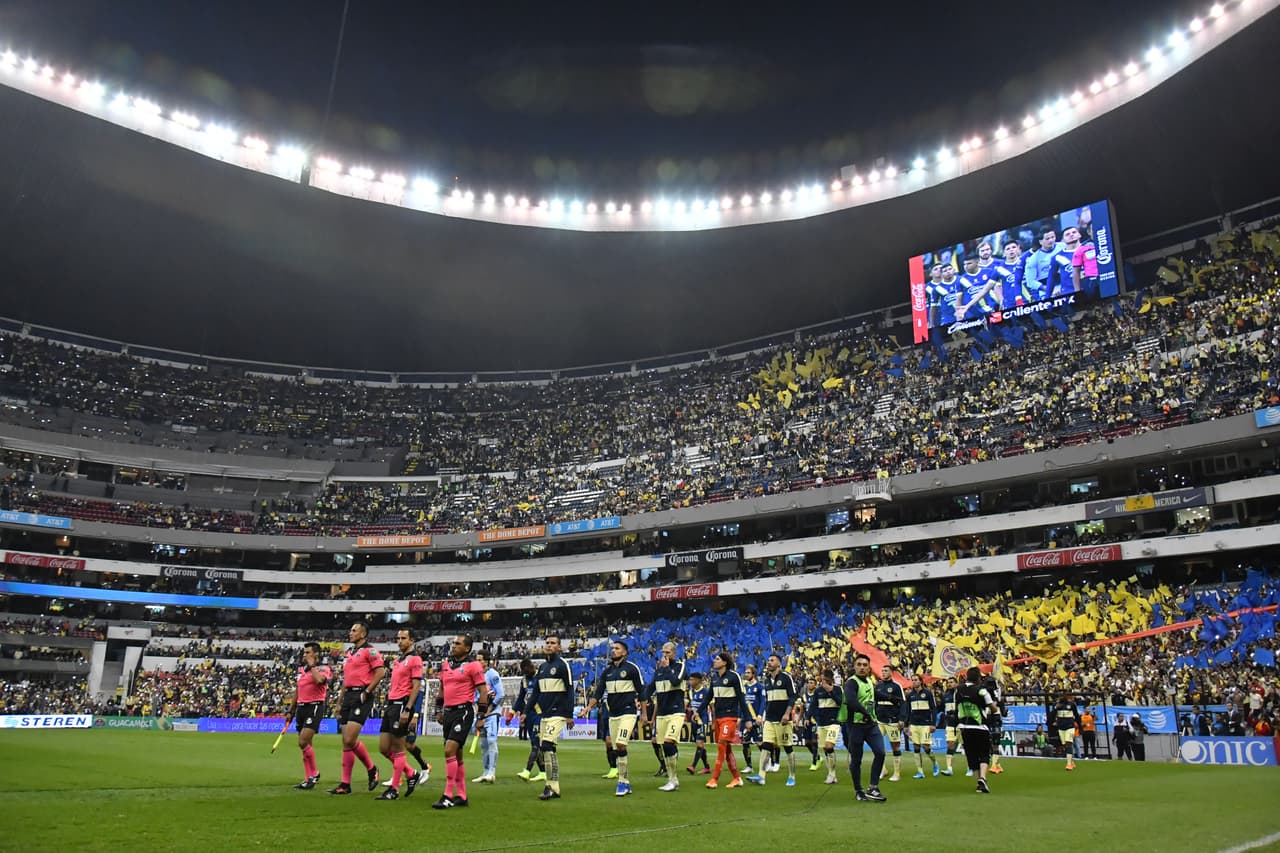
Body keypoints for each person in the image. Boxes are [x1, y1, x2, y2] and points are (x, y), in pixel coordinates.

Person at [431, 634, 491, 810]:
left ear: (467, 648)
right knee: (457, 754)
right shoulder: (446, 665)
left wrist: (481, 717)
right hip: (448, 712)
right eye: (453, 643)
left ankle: (447, 795)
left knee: (449, 750)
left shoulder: (473, 666)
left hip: (463, 712)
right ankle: (462, 795)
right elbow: (442, 689)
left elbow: (483, 692)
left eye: (458, 644)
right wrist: (438, 710)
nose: (453, 646)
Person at [327, 621, 385, 795]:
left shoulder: (370, 651)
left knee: (350, 739)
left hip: (361, 695)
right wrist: (339, 702)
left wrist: (367, 691)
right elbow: (347, 679)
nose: (350, 633)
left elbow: (381, 672)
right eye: (350, 629)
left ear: (363, 634)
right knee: (346, 742)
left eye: (354, 630)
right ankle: (345, 784)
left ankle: (372, 768)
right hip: (348, 696)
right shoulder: (349, 652)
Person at [583, 640, 646, 797]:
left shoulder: (632, 669)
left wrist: (644, 714)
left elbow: (642, 692)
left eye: (617, 648)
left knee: (621, 744)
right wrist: (588, 707)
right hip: (613, 714)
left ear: (624, 652)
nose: (613, 651)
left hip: (628, 712)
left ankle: (622, 782)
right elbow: (598, 693)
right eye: (612, 649)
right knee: (616, 747)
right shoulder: (607, 672)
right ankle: (625, 782)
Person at [376, 628, 424, 800]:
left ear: (412, 640)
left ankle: (394, 789)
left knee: (397, 748)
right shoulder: (398, 660)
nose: (400, 641)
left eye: (403, 638)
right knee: (383, 748)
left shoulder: (415, 659)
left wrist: (409, 709)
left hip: (402, 704)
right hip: (391, 704)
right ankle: (411, 773)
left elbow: (416, 686)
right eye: (398, 638)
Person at [527, 635, 574, 801]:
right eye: (547, 643)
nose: (549, 645)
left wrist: (569, 714)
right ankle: (553, 787)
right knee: (548, 748)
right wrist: (526, 711)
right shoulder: (542, 668)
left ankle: (551, 786)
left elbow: (570, 690)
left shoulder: (563, 665)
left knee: (546, 745)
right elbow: (536, 693)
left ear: (559, 647)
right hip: (545, 715)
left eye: (553, 643)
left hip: (559, 713)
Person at [843, 653, 887, 802]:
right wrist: (864, 713)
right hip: (855, 726)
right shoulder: (851, 683)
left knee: (880, 752)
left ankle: (873, 787)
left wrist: (892, 699)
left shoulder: (869, 681)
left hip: (871, 724)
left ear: (869, 668)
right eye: (859, 664)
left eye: (865, 665)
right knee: (856, 759)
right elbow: (851, 701)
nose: (862, 667)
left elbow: (875, 695)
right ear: (854, 666)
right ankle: (858, 790)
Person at [286, 641, 330, 790]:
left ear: (316, 654)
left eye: (308, 652)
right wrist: (290, 711)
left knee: (303, 741)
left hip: (315, 706)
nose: (305, 655)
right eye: (304, 653)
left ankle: (314, 774)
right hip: (301, 708)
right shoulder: (301, 670)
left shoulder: (323, 668)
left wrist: (312, 666)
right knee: (306, 745)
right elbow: (297, 691)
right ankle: (308, 777)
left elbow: (320, 681)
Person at [752, 653, 797, 786]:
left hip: (783, 720)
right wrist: (762, 715)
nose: (769, 662)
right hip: (770, 720)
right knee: (766, 746)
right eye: (768, 660)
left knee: (788, 747)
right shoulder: (766, 680)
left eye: (772, 660)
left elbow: (793, 697)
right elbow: (767, 701)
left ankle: (792, 776)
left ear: (779, 663)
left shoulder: (786, 678)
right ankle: (761, 776)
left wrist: (787, 714)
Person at [648, 642, 687, 791]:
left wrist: (667, 668)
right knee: (665, 745)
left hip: (676, 711)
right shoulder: (659, 671)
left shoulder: (679, 666)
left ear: (674, 653)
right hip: (662, 714)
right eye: (663, 652)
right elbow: (650, 688)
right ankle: (672, 778)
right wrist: (641, 699)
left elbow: (676, 681)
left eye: (668, 652)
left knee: (669, 742)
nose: (665, 655)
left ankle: (673, 779)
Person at [706, 651, 746, 789]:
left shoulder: (734, 676)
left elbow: (742, 698)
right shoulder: (715, 678)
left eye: (717, 659)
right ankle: (737, 778)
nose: (714, 661)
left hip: (730, 716)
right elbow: (708, 698)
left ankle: (714, 778)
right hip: (719, 717)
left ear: (724, 662)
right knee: (727, 749)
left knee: (722, 744)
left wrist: (747, 719)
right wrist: (698, 712)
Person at [956, 666, 999, 794]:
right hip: (980, 726)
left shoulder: (958, 690)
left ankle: (978, 783)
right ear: (978, 678)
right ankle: (983, 778)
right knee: (984, 754)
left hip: (964, 727)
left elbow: (955, 706)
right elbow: (993, 708)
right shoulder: (982, 691)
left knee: (971, 755)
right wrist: (996, 701)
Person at [472, 650, 505, 785]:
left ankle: (492, 772)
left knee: (492, 741)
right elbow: (475, 696)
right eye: (476, 659)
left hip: (492, 714)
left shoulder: (492, 674)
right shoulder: (476, 676)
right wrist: (478, 711)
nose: (478, 662)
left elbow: (500, 694)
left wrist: (488, 710)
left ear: (486, 661)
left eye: (480, 660)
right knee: (483, 744)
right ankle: (485, 772)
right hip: (481, 714)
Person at [513, 658, 546, 783]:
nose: (526, 673)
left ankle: (527, 771)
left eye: (528, 670)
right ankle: (542, 772)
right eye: (524, 671)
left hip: (539, 714)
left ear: (532, 667)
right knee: (534, 744)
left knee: (536, 744)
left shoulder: (541, 677)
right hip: (529, 715)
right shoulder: (524, 680)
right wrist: (512, 712)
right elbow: (521, 698)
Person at [808, 668, 843, 784]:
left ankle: (832, 774)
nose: (822, 681)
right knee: (825, 749)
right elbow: (813, 705)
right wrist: (808, 718)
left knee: (829, 746)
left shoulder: (838, 689)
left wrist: (831, 691)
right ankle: (832, 774)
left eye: (824, 679)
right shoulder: (818, 691)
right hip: (821, 723)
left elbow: (841, 703)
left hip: (834, 722)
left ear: (830, 679)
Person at [874, 664, 906, 782]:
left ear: (891, 672)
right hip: (879, 721)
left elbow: (903, 703)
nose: (883, 672)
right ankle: (883, 770)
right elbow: (875, 702)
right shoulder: (878, 686)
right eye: (882, 671)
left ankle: (897, 773)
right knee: (876, 746)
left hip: (892, 721)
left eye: (886, 671)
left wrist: (902, 719)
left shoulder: (897, 686)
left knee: (895, 747)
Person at [904, 673, 939, 779]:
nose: (914, 681)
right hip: (914, 724)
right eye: (912, 680)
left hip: (925, 724)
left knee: (926, 746)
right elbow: (908, 710)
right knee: (916, 747)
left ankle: (935, 763)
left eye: (916, 680)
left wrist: (933, 724)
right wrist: (906, 725)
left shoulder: (928, 693)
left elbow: (933, 709)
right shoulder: (910, 695)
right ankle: (920, 771)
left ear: (921, 681)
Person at [740, 664, 766, 775]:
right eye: (745, 672)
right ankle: (749, 766)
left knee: (759, 742)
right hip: (745, 719)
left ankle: (767, 761)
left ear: (753, 674)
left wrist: (760, 715)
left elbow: (763, 702)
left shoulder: (760, 687)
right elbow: (741, 704)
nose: (746, 674)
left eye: (748, 672)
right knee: (745, 742)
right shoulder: (744, 687)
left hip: (756, 719)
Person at [685, 671, 712, 775]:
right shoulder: (691, 692)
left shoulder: (705, 692)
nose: (689, 681)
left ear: (697, 680)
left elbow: (712, 707)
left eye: (691, 679)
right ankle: (707, 767)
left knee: (699, 743)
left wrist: (713, 722)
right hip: (694, 721)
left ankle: (693, 766)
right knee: (700, 744)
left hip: (702, 721)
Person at [983, 673, 1006, 775]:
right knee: (994, 742)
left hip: (991, 719)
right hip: (993, 719)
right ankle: (996, 763)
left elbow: (1003, 711)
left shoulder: (986, 697)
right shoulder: (993, 698)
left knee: (993, 741)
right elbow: (1004, 712)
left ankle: (994, 764)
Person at [796, 676, 821, 771]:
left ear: (815, 685)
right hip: (807, 721)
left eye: (812, 682)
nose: (810, 684)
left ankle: (814, 762)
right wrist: (798, 720)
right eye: (809, 682)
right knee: (807, 743)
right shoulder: (804, 696)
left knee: (814, 741)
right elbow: (802, 709)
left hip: (815, 721)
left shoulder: (817, 695)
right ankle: (818, 757)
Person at [1052, 693, 1082, 771]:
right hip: (1061, 727)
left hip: (1070, 726)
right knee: (1064, 744)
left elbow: (1077, 716)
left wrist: (1080, 727)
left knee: (1069, 743)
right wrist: (1055, 708)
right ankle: (1071, 761)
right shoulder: (1056, 705)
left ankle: (1069, 764)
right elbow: (1052, 715)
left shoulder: (1071, 704)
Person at [939, 676, 959, 776]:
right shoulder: (945, 695)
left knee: (967, 745)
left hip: (961, 723)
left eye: (951, 682)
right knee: (950, 744)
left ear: (956, 683)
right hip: (950, 723)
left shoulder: (960, 694)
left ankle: (970, 767)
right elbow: (941, 708)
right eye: (948, 682)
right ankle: (949, 768)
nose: (949, 684)